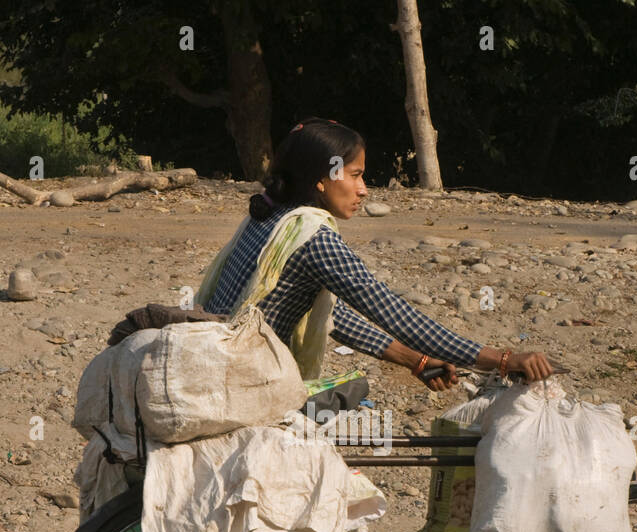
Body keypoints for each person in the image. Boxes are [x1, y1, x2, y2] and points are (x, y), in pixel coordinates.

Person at [197, 116, 557, 389]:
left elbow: (328, 315)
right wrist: (503, 359)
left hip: (214, 365)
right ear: (321, 179)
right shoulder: (312, 237)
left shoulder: (270, 216)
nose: (363, 190)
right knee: (351, 391)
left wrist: (415, 360)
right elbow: (392, 312)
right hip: (243, 382)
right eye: (355, 175)